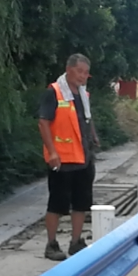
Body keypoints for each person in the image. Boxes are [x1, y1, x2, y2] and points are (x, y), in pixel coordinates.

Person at [37, 53, 100, 260]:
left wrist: (93, 137)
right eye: (79, 71)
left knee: (82, 202)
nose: (83, 76)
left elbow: (86, 119)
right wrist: (52, 152)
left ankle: (76, 242)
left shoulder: (83, 94)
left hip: (83, 157)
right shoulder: (54, 92)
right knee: (57, 203)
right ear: (69, 69)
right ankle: (51, 244)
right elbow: (43, 122)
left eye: (86, 73)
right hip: (62, 160)